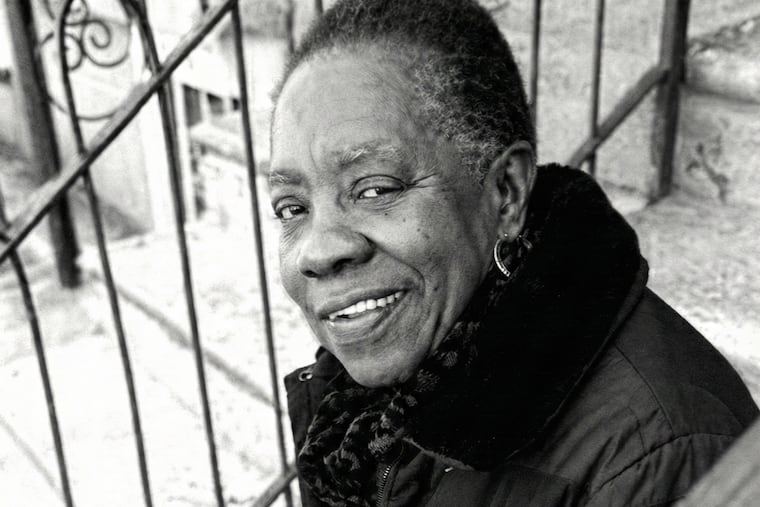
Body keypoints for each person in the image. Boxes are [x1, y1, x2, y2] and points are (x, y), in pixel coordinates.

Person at [269, 0, 759, 505]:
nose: (317, 251)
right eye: (292, 208)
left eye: (375, 189)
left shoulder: (659, 455)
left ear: (506, 192)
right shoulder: (358, 411)